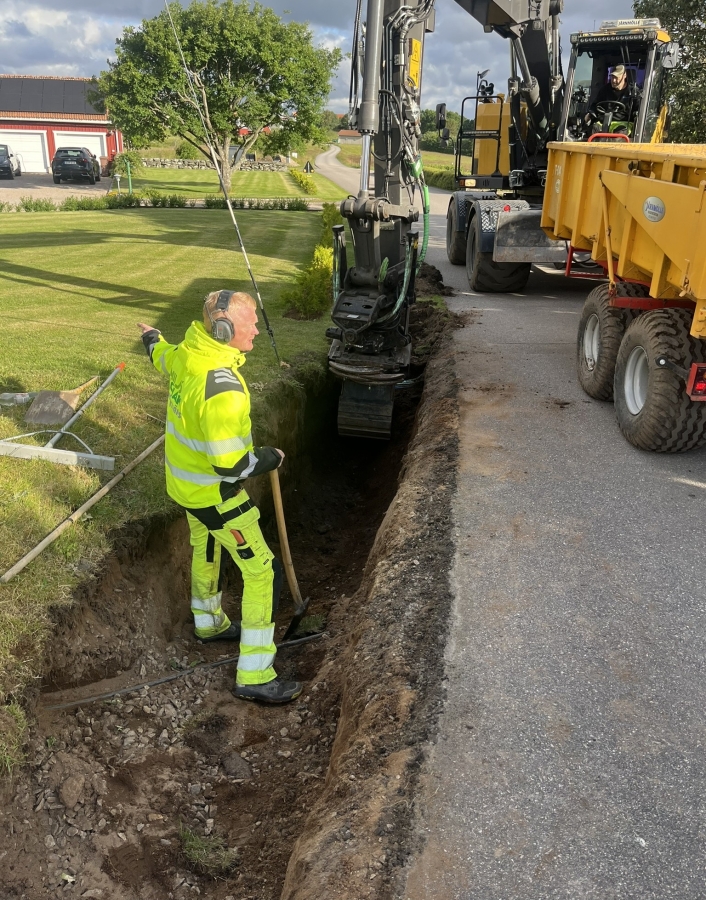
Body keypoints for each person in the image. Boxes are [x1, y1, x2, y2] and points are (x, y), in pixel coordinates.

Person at [137, 290, 302, 704]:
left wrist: (152, 337)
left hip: (185, 489)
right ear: (226, 330)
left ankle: (209, 623)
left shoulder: (187, 355)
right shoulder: (222, 388)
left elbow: (161, 355)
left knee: (205, 544)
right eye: (251, 323)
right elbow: (232, 465)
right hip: (216, 496)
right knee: (262, 570)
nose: (258, 329)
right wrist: (269, 457)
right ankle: (256, 673)